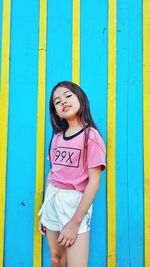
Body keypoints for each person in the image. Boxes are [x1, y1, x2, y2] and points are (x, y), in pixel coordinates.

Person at [38, 81, 106, 267]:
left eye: (68, 96)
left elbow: (94, 182)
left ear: (80, 99)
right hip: (53, 198)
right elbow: (53, 173)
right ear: (55, 111)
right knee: (56, 259)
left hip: (75, 203)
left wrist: (75, 223)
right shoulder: (58, 137)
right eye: (57, 101)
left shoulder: (91, 136)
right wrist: (45, 208)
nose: (63, 102)